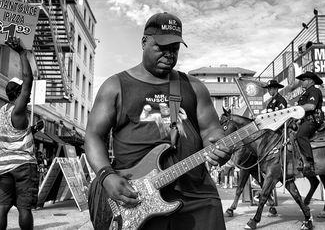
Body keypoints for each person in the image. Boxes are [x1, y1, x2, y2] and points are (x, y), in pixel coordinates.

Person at [85, 12, 228, 230]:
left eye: (175, 48)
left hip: (195, 192)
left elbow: (211, 131)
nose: (170, 54)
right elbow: (94, 135)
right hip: (136, 194)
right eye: (162, 46)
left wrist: (218, 146)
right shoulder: (115, 86)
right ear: (144, 42)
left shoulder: (195, 87)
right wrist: (106, 176)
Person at [0, 37, 38, 230]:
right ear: (20, 93)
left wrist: (31, 131)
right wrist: (21, 52)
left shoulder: (3, 111)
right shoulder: (18, 110)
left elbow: (14, 133)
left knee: (1, 208)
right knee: (24, 209)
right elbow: (29, 79)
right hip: (22, 166)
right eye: (24, 93)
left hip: (3, 166)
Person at [295, 71, 323, 176]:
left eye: (304, 80)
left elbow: (311, 106)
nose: (302, 82)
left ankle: (310, 163)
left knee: (300, 135)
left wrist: (295, 109)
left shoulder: (314, 91)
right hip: (304, 121)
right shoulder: (305, 93)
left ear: (310, 81)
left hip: (313, 121)